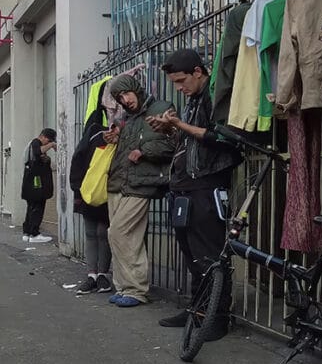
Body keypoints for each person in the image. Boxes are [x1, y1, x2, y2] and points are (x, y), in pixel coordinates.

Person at [147, 49, 242, 338]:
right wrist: (169, 130)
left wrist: (178, 124)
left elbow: (224, 137)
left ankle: (217, 318)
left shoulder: (216, 95)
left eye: (181, 81)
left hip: (208, 184)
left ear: (198, 72)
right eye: (175, 83)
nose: (179, 88)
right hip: (186, 185)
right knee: (192, 255)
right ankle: (198, 310)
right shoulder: (193, 100)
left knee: (211, 254)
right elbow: (190, 141)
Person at [102, 74, 177, 307]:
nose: (125, 100)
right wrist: (116, 138)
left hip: (140, 183)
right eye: (119, 97)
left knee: (120, 233)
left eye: (126, 93)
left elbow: (171, 143)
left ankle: (136, 290)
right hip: (119, 182)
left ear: (135, 88)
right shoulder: (128, 118)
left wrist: (143, 150)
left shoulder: (161, 108)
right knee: (119, 236)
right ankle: (123, 287)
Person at [69, 79, 121, 294]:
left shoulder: (123, 130)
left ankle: (102, 274)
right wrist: (77, 189)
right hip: (89, 190)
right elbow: (79, 159)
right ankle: (92, 274)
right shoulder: (94, 130)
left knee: (103, 232)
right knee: (92, 232)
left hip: (110, 191)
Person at [21, 128, 56, 243]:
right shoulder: (36, 142)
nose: (49, 143)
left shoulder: (32, 145)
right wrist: (51, 145)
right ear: (44, 137)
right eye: (49, 140)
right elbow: (38, 151)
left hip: (31, 184)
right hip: (36, 185)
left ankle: (27, 232)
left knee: (31, 208)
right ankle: (34, 233)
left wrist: (47, 159)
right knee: (37, 208)